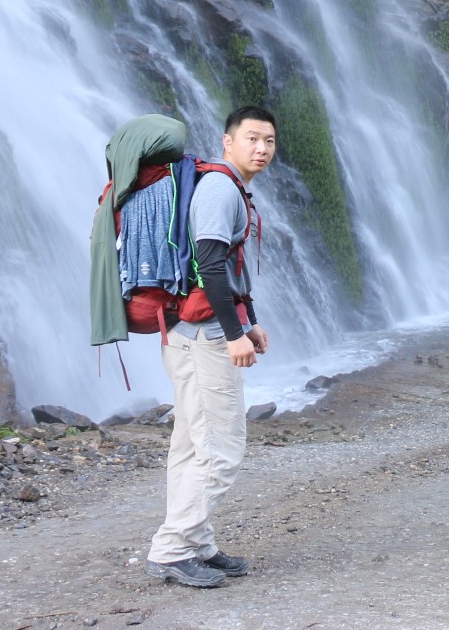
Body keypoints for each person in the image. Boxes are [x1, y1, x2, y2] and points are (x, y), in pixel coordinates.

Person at [146, 105, 277, 589]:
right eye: (252, 139)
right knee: (222, 448)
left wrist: (252, 321)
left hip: (188, 332)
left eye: (268, 141)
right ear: (228, 142)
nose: (261, 148)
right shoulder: (221, 188)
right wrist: (235, 333)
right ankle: (172, 550)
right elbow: (209, 263)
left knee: (191, 444)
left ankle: (196, 544)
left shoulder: (225, 185)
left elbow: (228, 266)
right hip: (204, 337)